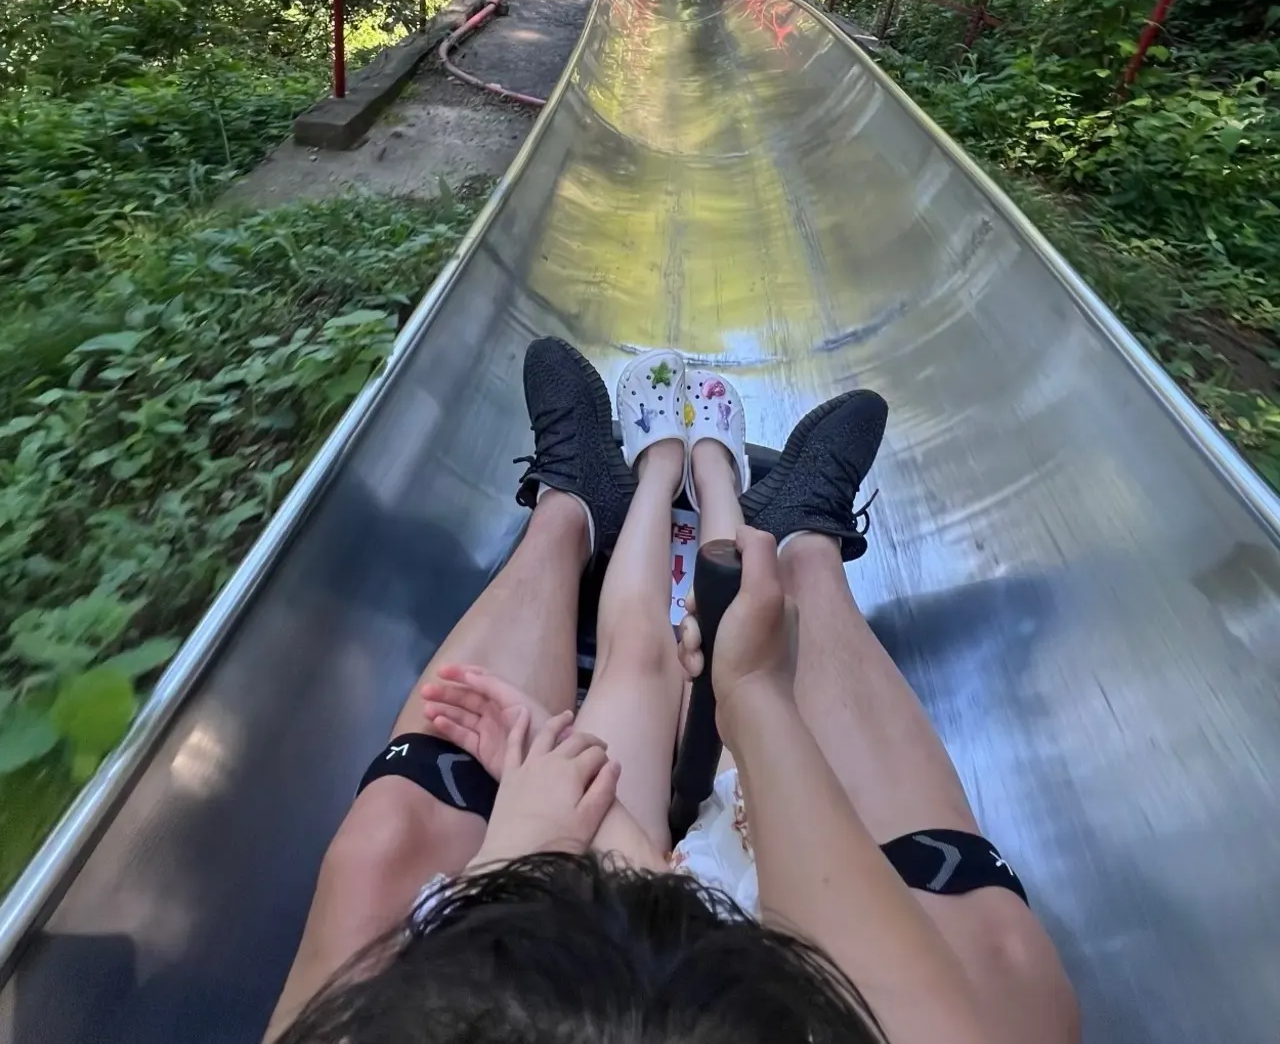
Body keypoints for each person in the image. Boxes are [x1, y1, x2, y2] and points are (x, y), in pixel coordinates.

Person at [266, 339, 1079, 1044]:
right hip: (760, 996)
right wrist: (756, 697)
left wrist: (527, 843)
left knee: (382, 854)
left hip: (537, 964)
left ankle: (584, 505)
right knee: (1004, 968)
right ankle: (797, 545)